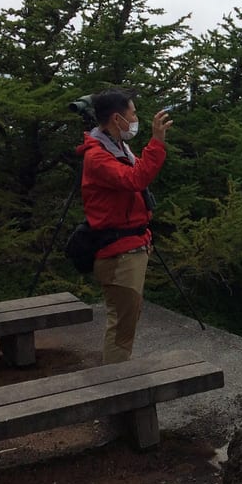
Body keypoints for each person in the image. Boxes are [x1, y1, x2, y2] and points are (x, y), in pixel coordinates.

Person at [78, 89, 172, 365]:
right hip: (118, 251)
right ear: (117, 118)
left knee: (126, 317)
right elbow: (134, 180)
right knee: (121, 323)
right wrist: (156, 142)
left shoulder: (116, 145)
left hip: (131, 243)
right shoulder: (97, 156)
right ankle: (115, 388)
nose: (136, 118)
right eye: (132, 113)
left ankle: (117, 381)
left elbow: (137, 174)